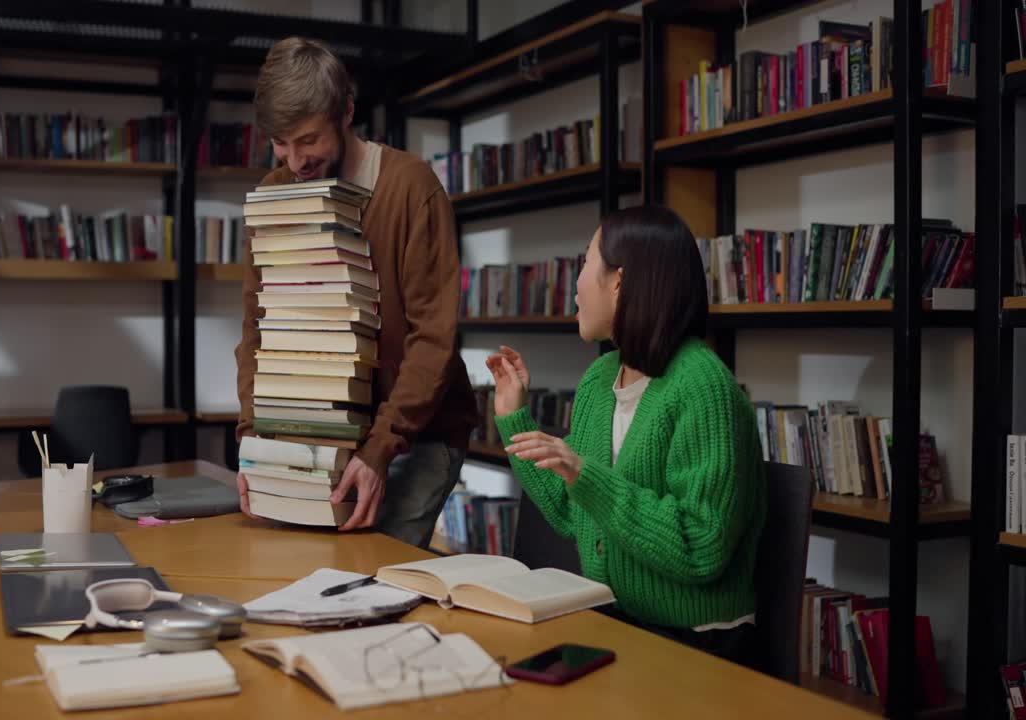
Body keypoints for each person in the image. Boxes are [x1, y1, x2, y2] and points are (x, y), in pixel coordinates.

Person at [486, 205, 766, 666]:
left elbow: (701, 546)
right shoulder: (599, 378)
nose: (575, 283)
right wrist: (515, 417)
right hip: (617, 619)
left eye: (585, 263)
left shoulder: (703, 387)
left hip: (696, 643)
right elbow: (574, 514)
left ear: (619, 281)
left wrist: (585, 473)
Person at [234, 37, 478, 548]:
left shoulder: (411, 188)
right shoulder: (275, 193)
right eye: (280, 143)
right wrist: (254, 442)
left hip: (417, 432)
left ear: (346, 112)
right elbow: (258, 330)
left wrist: (380, 448)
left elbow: (433, 338)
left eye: (308, 140)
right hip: (320, 435)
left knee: (375, 568)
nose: (295, 160)